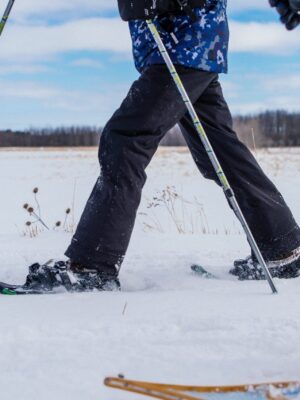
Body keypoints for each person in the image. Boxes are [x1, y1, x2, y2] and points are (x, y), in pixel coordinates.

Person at [16, 0, 300, 292]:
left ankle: (92, 267)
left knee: (125, 139)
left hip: (184, 41)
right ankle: (282, 248)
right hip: (188, 45)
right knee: (219, 150)